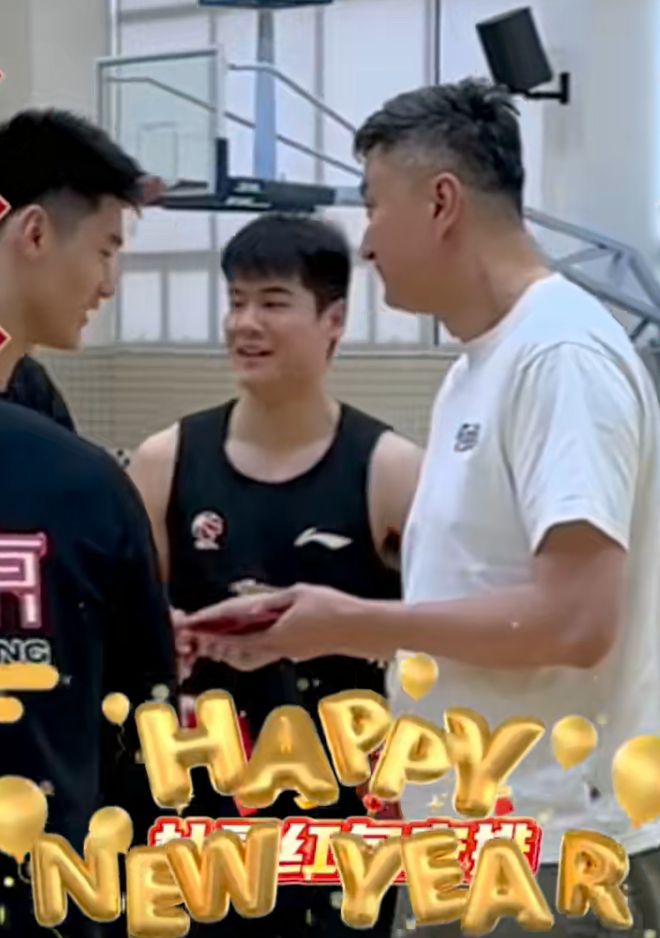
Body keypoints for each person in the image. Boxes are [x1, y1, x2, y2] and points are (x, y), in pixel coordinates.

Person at [181, 79, 660, 937]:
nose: (366, 241)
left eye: (374, 205)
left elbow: (577, 621)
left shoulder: (561, 358)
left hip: (554, 848)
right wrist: (315, 631)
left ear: (442, 202)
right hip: (464, 833)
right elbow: (472, 599)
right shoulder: (476, 368)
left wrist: (352, 622)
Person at [128, 212, 422, 937]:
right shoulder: (165, 463)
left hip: (345, 828)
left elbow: (437, 642)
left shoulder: (392, 472)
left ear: (334, 320)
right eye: (235, 301)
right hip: (201, 817)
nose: (245, 323)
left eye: (272, 302)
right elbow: (124, 635)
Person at [0, 109, 177, 936]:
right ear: (35, 232)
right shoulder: (77, 477)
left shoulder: (41, 410)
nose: (108, 285)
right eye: (105, 250)